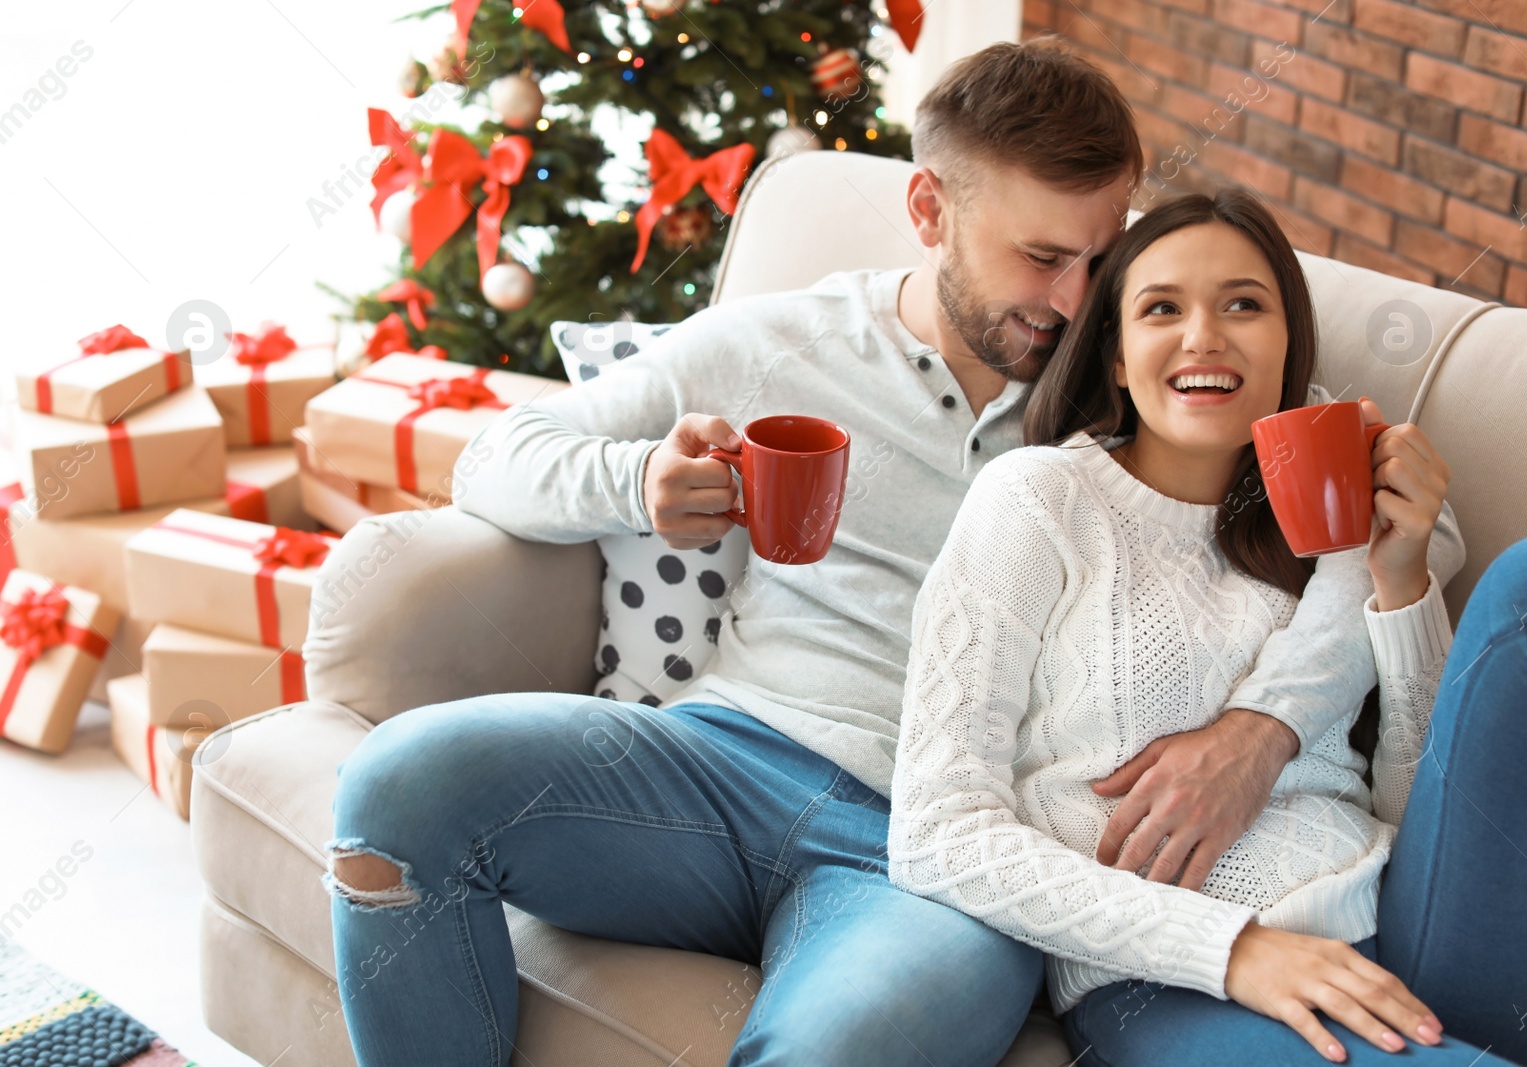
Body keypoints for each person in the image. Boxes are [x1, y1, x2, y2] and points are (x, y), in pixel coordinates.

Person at [320, 41, 1461, 1067]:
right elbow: (495, 457)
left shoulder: (1142, 373)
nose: (1076, 302)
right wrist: (638, 484)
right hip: (717, 762)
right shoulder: (779, 343)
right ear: (928, 207)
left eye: (1100, 259)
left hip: (934, 854)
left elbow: (1399, 522)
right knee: (396, 790)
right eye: (1041, 257)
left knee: (851, 1042)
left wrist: (1260, 728)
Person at [886, 186, 1527, 1066]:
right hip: (1173, 984)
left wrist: (1401, 582)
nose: (1203, 336)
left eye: (1244, 306)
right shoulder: (1037, 501)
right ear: (1113, 352)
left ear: (1290, 345)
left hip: (1421, 927)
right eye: (1161, 309)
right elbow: (936, 833)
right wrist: (1234, 948)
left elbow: (1410, 810)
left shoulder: (1329, 513)